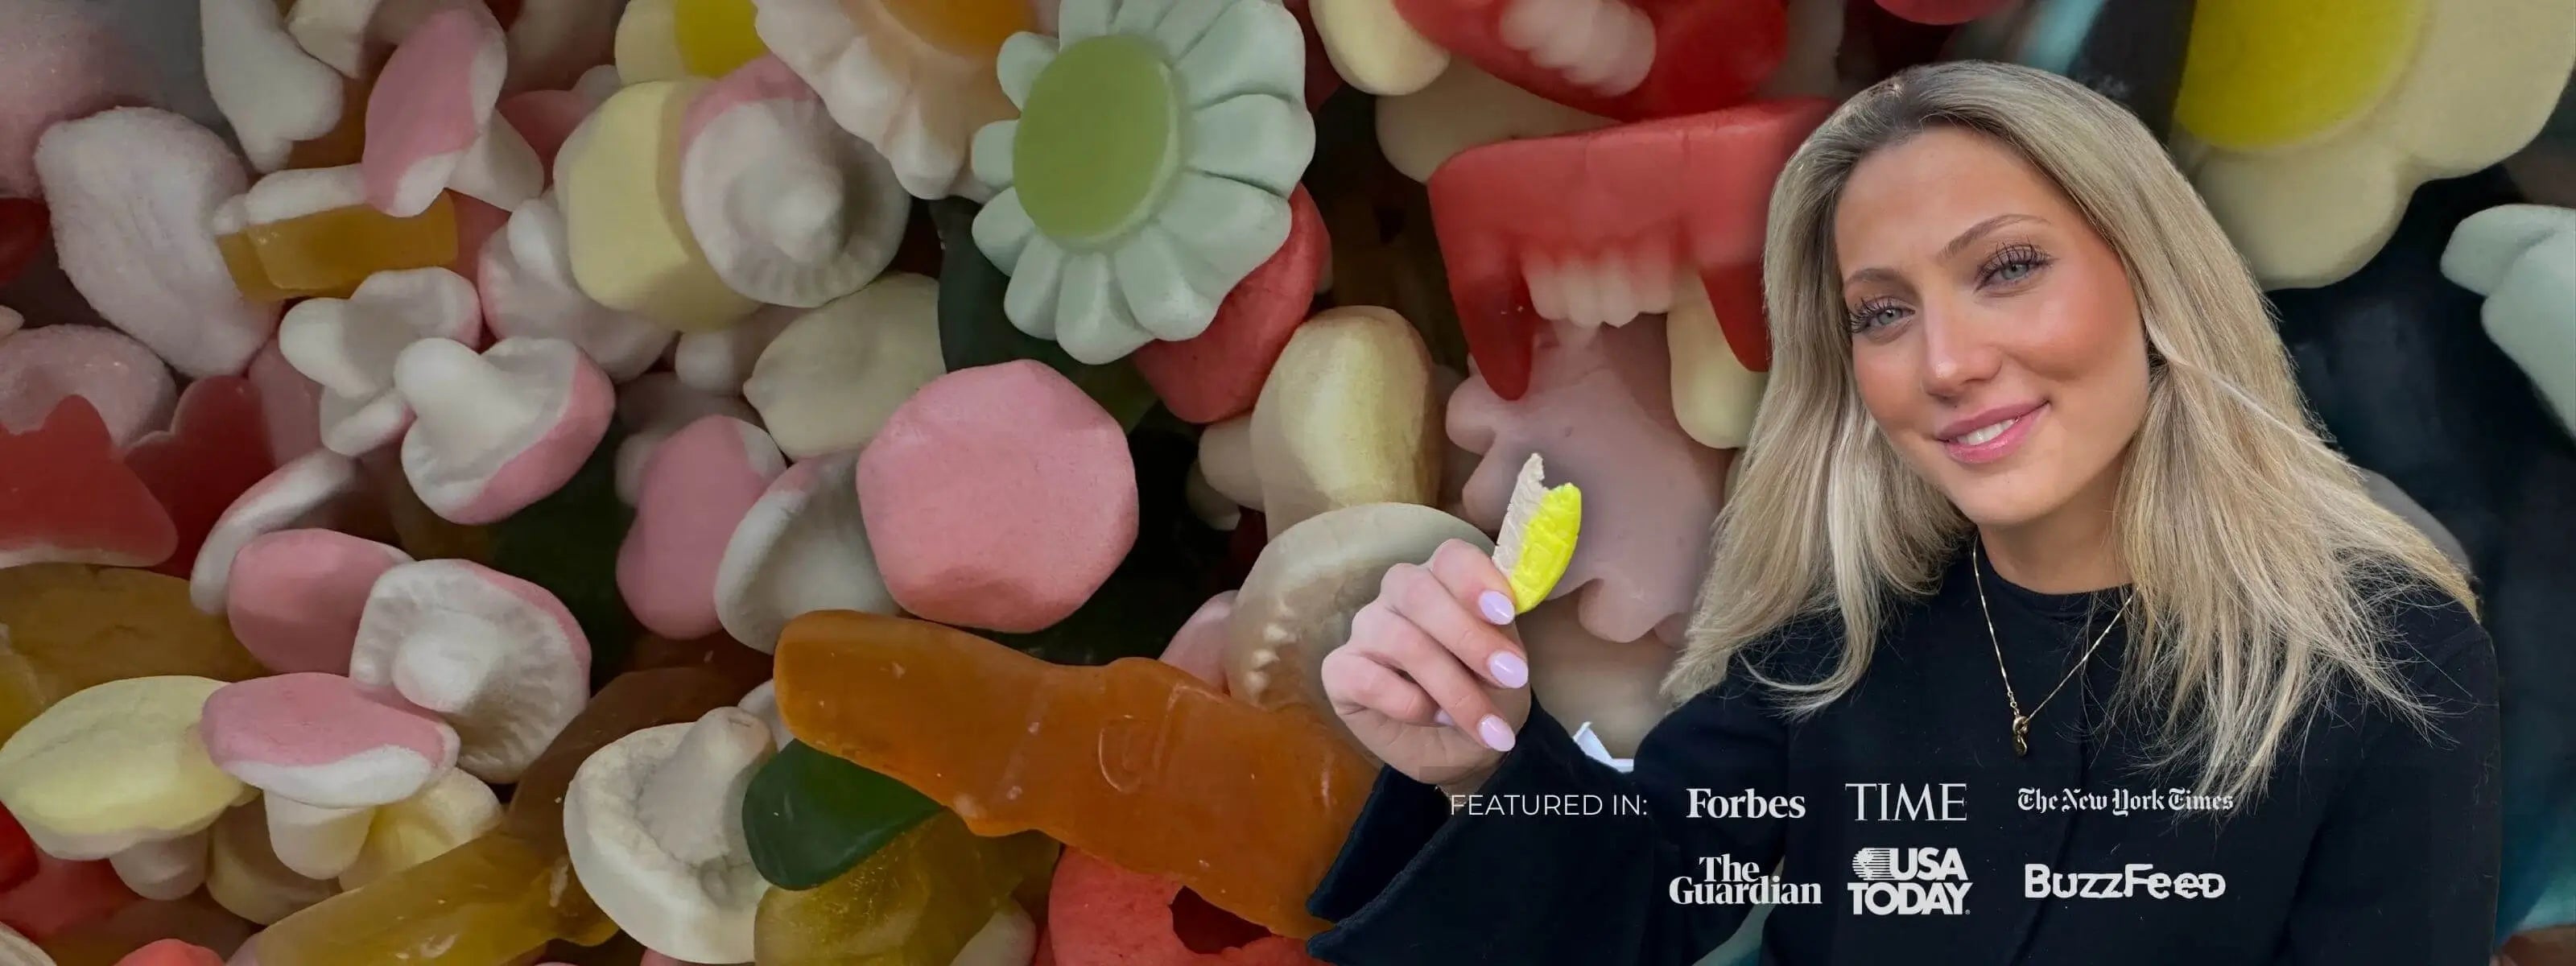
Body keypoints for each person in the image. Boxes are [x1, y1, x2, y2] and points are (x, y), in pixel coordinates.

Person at [1304, 60, 2500, 965]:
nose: (1946, 361)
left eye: (2008, 268)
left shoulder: (2386, 660)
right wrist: (1479, 759)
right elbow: (1627, 903)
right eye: (1881, 313)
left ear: (2151, 281)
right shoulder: (1834, 651)